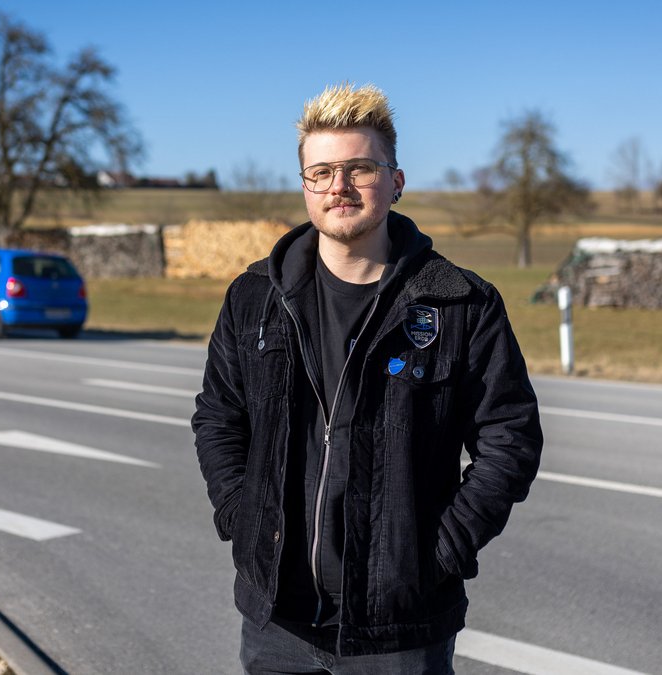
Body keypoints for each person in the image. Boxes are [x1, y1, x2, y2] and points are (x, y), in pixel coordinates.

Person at [193, 83, 543, 674]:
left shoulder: (461, 304)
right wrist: (239, 512)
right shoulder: (254, 297)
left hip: (400, 627)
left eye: (360, 168)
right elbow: (218, 417)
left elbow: (510, 437)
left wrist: (437, 552)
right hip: (276, 618)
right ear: (304, 184)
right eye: (322, 171)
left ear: (396, 180)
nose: (339, 186)